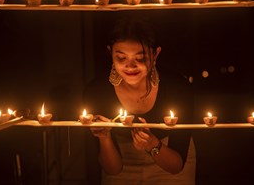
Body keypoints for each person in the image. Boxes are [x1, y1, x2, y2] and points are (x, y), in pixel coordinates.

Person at [82, 17, 196, 185]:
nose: (130, 66)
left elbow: (176, 166)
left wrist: (152, 144)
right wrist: (104, 138)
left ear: (155, 54)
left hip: (167, 156)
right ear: (110, 53)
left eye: (140, 58)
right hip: (120, 157)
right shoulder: (97, 91)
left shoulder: (177, 88)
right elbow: (113, 170)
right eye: (121, 58)